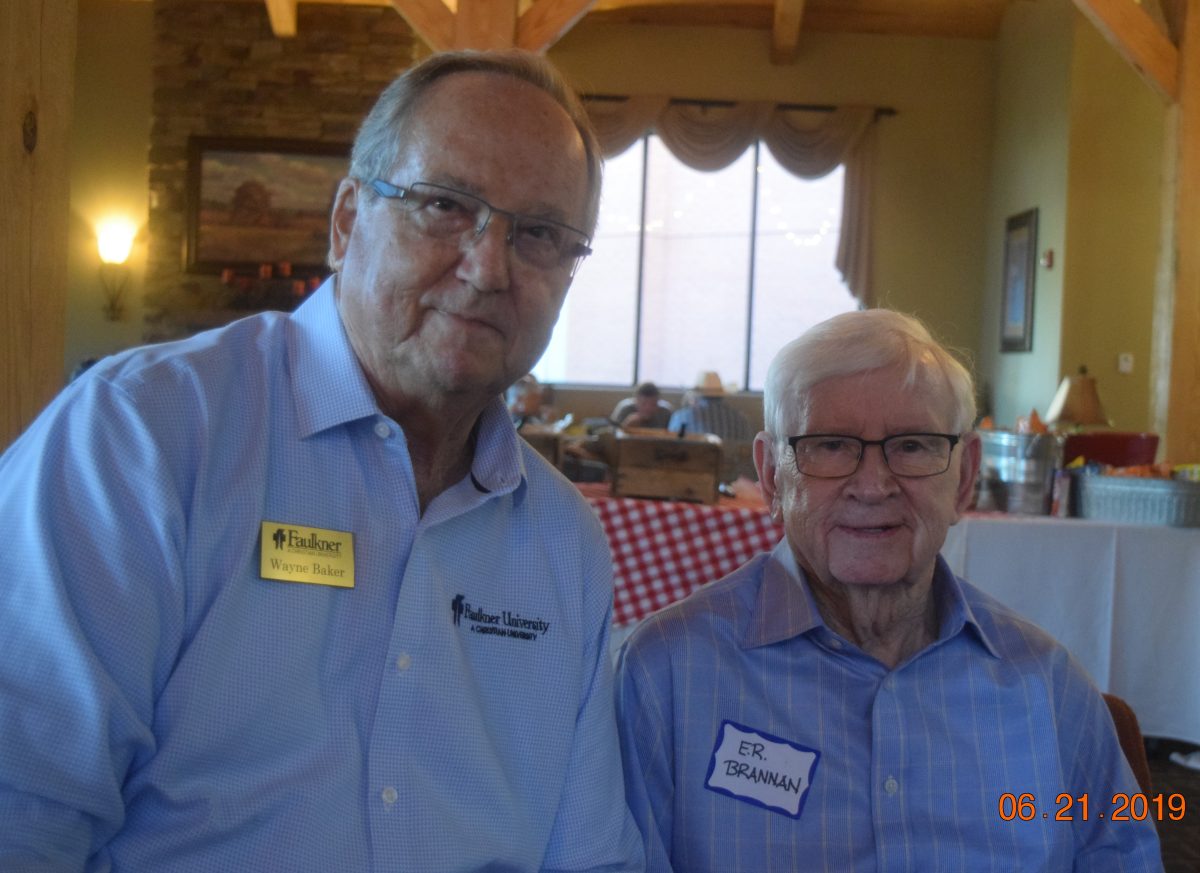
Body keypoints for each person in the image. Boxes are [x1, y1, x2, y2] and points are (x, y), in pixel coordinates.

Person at [0, 51, 643, 872]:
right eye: (444, 205)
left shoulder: (564, 538)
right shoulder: (144, 438)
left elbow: (588, 858)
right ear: (345, 224)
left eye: (541, 234)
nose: (488, 267)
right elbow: (23, 807)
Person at [615, 309, 1162, 871]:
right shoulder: (667, 676)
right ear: (773, 477)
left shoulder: (1046, 687)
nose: (873, 485)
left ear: (965, 477)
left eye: (913, 446)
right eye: (829, 446)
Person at [667, 370, 753, 442]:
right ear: (722, 394)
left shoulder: (681, 417)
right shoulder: (741, 419)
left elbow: (672, 447)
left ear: (696, 395)